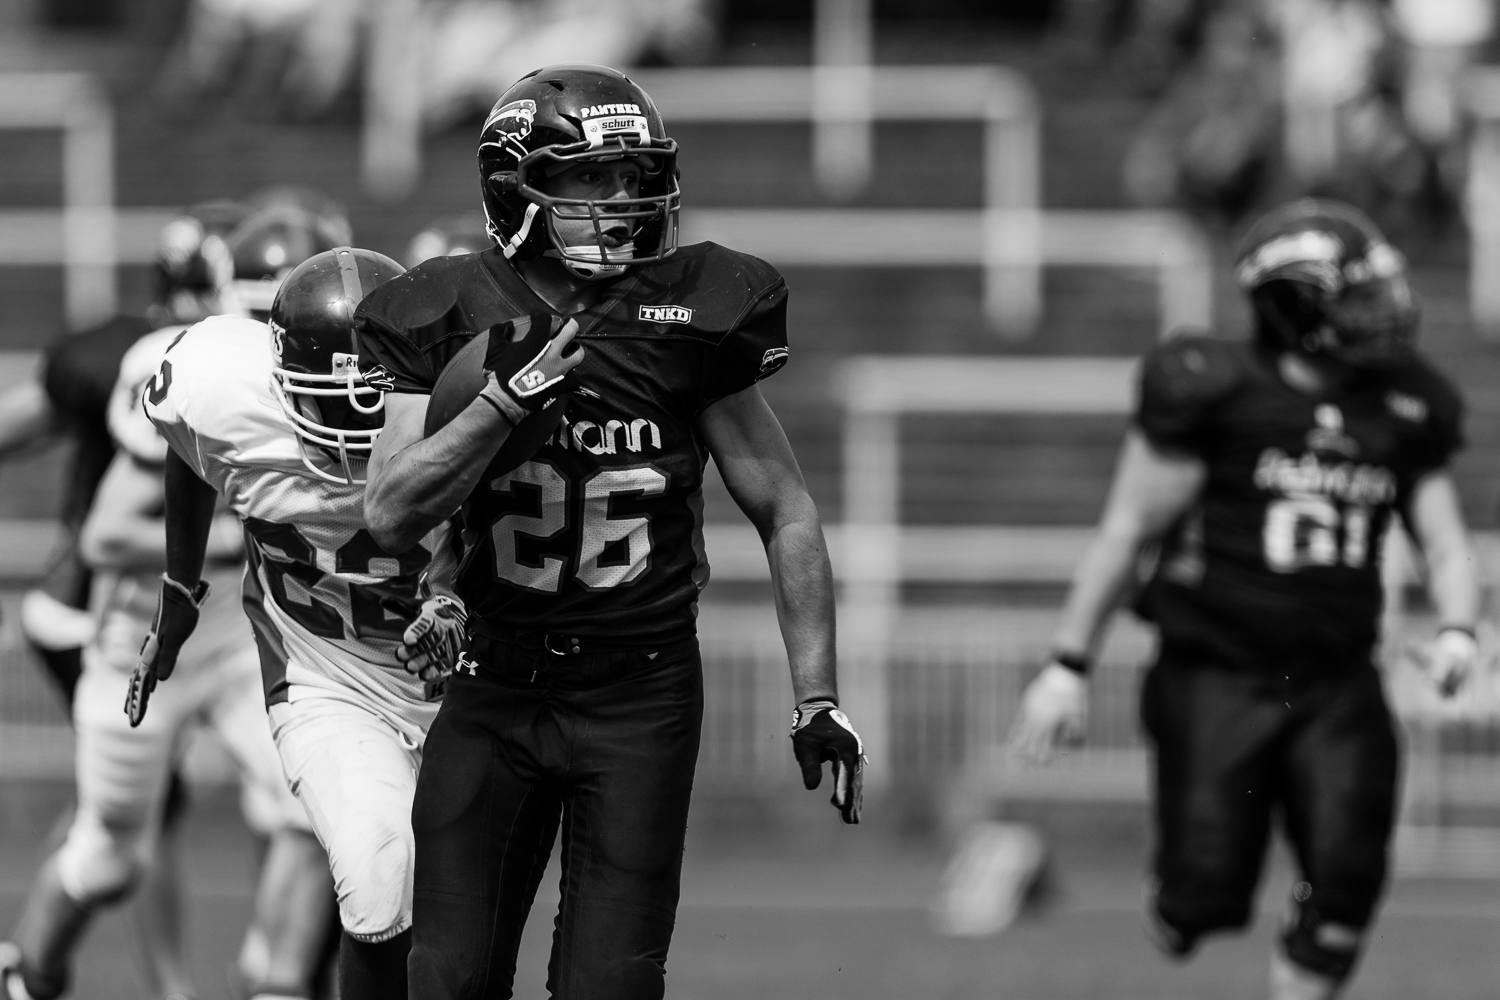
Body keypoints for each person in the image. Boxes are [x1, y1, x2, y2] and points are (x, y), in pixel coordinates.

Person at [355, 64, 864, 1000]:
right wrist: (509, 400)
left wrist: (818, 696)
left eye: (635, 175)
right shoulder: (442, 311)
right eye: (592, 177)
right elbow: (390, 513)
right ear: (517, 186)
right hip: (494, 685)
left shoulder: (691, 312)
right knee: (449, 981)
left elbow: (786, 509)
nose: (623, 199)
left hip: (640, 696)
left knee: (611, 988)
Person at [1010, 198, 1480, 1000]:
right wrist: (1067, 666)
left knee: (1349, 874)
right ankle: (1187, 900)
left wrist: (1461, 632)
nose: (1384, 312)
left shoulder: (1408, 402)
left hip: (1337, 680)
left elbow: (1441, 538)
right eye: (1356, 297)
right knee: (1203, 902)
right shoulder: (1214, 388)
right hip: (1216, 677)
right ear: (1294, 305)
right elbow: (1129, 530)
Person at [0, 205, 345, 1000]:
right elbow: (107, 537)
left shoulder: (336, 367)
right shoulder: (199, 366)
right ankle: (29, 975)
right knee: (108, 858)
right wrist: (248, 540)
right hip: (142, 639)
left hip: (237, 639)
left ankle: (276, 978)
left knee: (319, 798)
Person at [131, 246, 468, 1000]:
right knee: (378, 877)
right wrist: (181, 591)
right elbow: (190, 449)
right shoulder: (222, 391)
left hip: (470, 691)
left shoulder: (457, 404)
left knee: (470, 938)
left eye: (370, 400)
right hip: (329, 683)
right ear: (282, 385)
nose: (351, 427)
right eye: (329, 399)